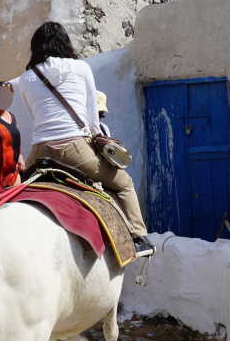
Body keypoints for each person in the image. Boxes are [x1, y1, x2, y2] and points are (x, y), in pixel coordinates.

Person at [18, 22, 154, 257]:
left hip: (39, 150)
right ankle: (139, 237)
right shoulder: (80, 68)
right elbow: (91, 117)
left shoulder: (27, 78)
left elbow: (35, 115)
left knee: (15, 190)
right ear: (65, 43)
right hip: (73, 148)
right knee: (123, 184)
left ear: (36, 47)